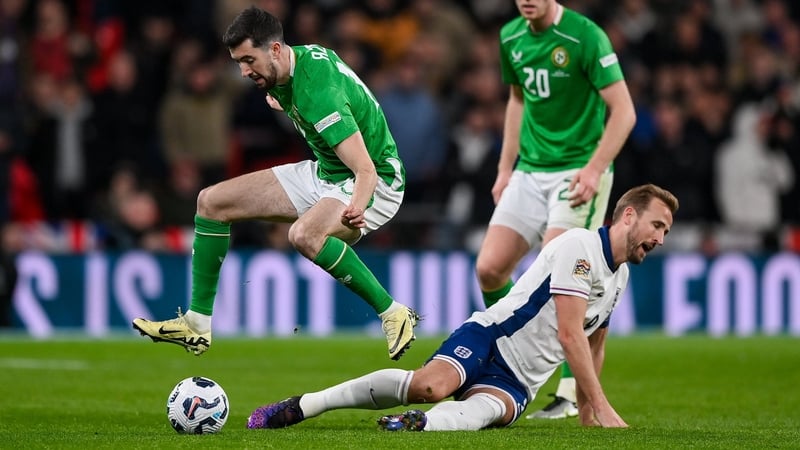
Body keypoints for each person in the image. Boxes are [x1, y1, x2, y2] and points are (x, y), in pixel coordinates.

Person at [246, 184, 678, 431]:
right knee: (429, 386)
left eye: (665, 231)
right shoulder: (581, 247)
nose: (660, 238)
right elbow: (569, 334)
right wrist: (603, 408)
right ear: (626, 216)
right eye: (656, 225)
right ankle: (306, 405)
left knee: (488, 413)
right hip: (491, 338)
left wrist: (585, 410)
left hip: (520, 384)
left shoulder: (618, 277)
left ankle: (417, 425)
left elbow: (594, 342)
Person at [132, 6, 419, 361]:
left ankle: (394, 312)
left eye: (248, 59)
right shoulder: (288, 69)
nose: (243, 71)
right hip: (328, 172)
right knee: (211, 202)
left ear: (276, 50)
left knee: (304, 235)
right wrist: (287, 105)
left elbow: (365, 170)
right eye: (238, 62)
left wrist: (357, 205)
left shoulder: (318, 93)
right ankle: (197, 322)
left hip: (376, 181)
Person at [475, 0, 637, 419]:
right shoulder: (510, 36)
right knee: (489, 269)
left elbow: (625, 111)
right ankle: (509, 356)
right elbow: (517, 100)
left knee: (558, 278)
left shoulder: (586, 36)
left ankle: (569, 391)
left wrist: (595, 169)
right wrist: (504, 167)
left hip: (577, 171)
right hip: (529, 170)